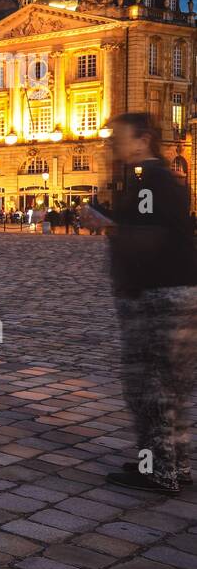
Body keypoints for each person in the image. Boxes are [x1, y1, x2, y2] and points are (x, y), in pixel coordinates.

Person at [102, 114, 197, 494]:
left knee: (148, 385)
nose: (114, 145)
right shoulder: (159, 179)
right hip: (180, 290)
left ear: (143, 140)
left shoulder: (150, 181)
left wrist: (107, 227)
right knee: (172, 386)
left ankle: (158, 471)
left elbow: (145, 236)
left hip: (158, 294)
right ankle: (177, 463)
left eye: (120, 138)